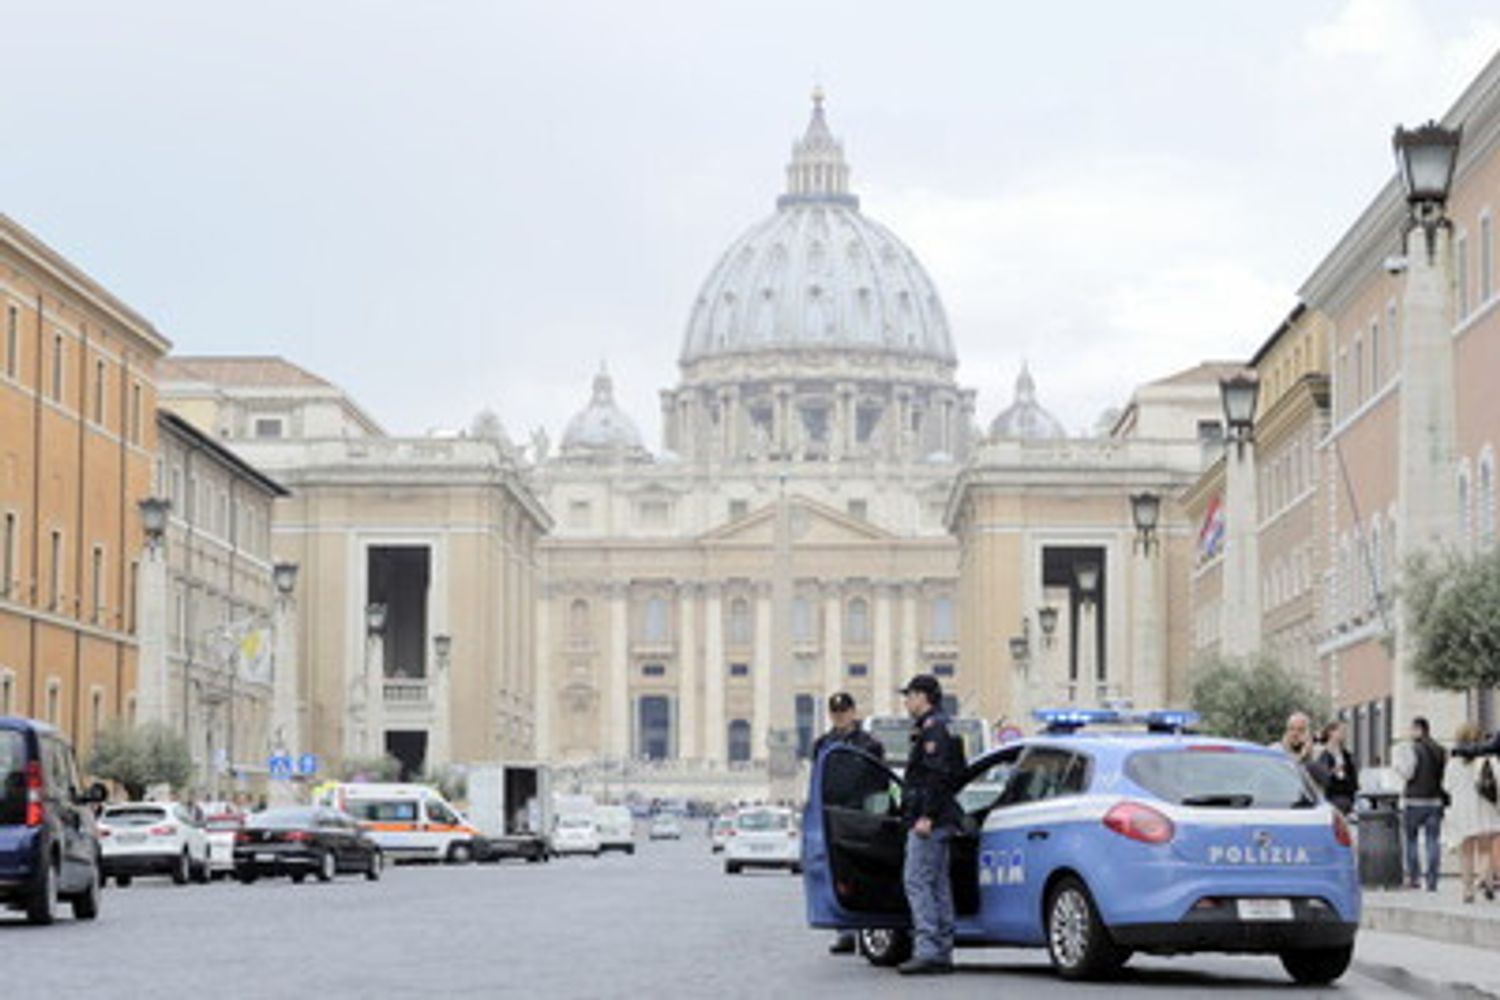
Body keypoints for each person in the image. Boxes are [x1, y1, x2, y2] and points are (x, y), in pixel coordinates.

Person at [897, 674, 965, 976]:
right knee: (937, 883)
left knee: (918, 881)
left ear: (923, 696)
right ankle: (942, 949)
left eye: (909, 695)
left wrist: (927, 815)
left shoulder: (933, 728)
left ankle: (928, 949)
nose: (907, 702)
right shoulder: (942, 725)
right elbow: (958, 773)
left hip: (929, 819)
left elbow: (937, 776)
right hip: (940, 817)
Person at [812, 692, 885, 956]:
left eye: (844, 712)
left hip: (860, 814)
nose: (840, 717)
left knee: (862, 872)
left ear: (853, 712)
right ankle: (844, 930)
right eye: (836, 713)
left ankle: (864, 929)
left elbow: (878, 781)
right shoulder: (822, 744)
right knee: (837, 871)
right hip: (832, 814)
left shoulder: (870, 744)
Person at [1444, 722, 1500, 902]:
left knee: (1466, 853)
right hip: (1485, 808)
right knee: (1485, 850)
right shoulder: (1488, 759)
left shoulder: (1454, 762)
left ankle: (1467, 891)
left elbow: (1446, 786)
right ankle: (1487, 882)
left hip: (1462, 810)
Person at [1392, 716, 1448, 891]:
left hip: (1414, 801)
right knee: (1433, 841)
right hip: (1435, 801)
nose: (1410, 733)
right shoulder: (1441, 750)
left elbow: (1408, 773)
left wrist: (1398, 767)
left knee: (1411, 841)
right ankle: (1432, 881)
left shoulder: (1412, 749)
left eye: (1412, 729)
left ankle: (1414, 878)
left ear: (1419, 729)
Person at [1316, 721, 1359, 815]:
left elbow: (1353, 776)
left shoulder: (1346, 755)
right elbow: (1321, 777)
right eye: (1341, 731)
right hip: (1332, 798)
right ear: (1331, 732)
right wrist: (1333, 772)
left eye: (1344, 731)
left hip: (1347, 797)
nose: (1344, 734)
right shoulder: (1322, 754)